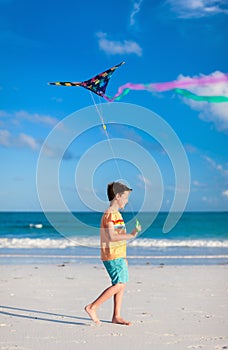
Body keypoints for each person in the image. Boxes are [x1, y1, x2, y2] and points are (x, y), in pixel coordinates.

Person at [85, 181, 141, 326]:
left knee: (121, 284)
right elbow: (111, 237)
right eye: (126, 197)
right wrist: (131, 235)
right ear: (117, 196)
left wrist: (123, 256)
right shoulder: (110, 215)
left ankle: (116, 316)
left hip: (118, 255)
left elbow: (117, 236)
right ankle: (92, 307)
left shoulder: (116, 214)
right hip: (112, 255)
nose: (127, 201)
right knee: (119, 284)